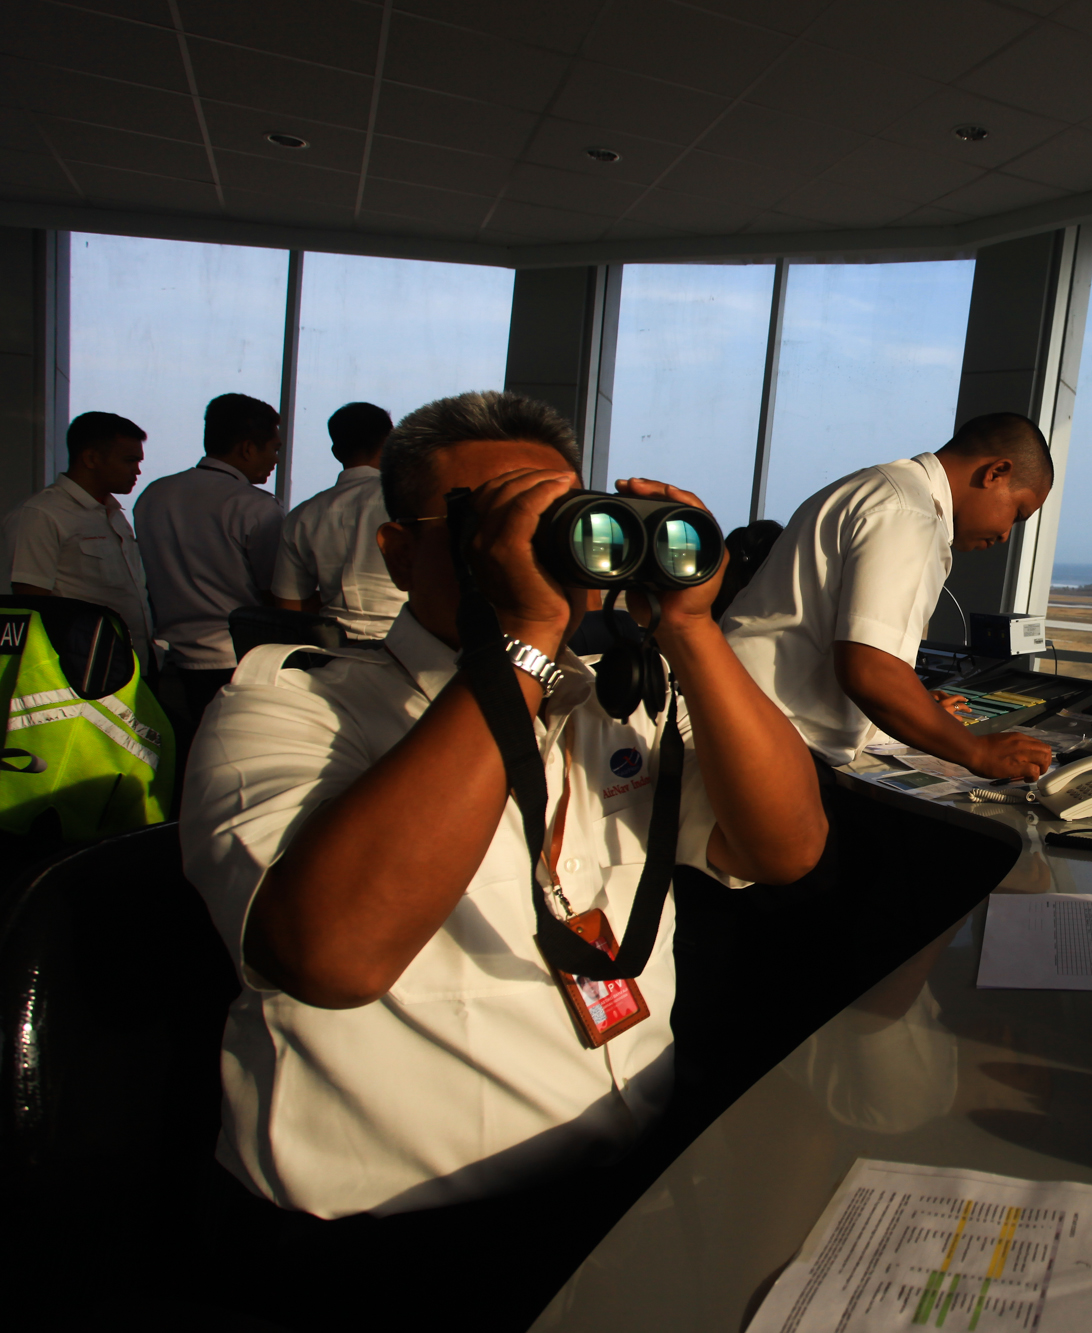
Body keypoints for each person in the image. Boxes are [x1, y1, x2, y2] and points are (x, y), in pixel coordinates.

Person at [181, 390, 824, 1231]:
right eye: (493, 522)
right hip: (403, 1233)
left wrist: (691, 629)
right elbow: (330, 956)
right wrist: (520, 637)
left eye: (559, 518)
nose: (533, 550)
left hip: (632, 1194)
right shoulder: (290, 708)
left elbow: (786, 848)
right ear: (400, 552)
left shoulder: (610, 707)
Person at [722, 412, 1059, 781]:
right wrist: (977, 751)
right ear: (996, 472)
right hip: (757, 737)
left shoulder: (880, 486)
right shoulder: (910, 514)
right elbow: (870, 671)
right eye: (1017, 513)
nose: (1006, 535)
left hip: (743, 713)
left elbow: (838, 646)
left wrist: (914, 708)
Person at [135, 392, 285, 720]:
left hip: (167, 660)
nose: (275, 460)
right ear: (247, 448)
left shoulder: (153, 495)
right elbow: (274, 591)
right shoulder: (254, 506)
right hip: (233, 661)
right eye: (274, 448)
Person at [1, 411, 156, 669]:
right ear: (91, 458)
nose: (137, 471)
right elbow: (31, 604)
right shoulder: (41, 515)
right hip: (81, 669)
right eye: (130, 460)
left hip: (133, 662)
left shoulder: (112, 514)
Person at [272, 401, 407, 639]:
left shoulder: (303, 515)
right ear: (391, 444)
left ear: (336, 452)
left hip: (330, 652)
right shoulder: (408, 502)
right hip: (404, 645)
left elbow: (288, 606)